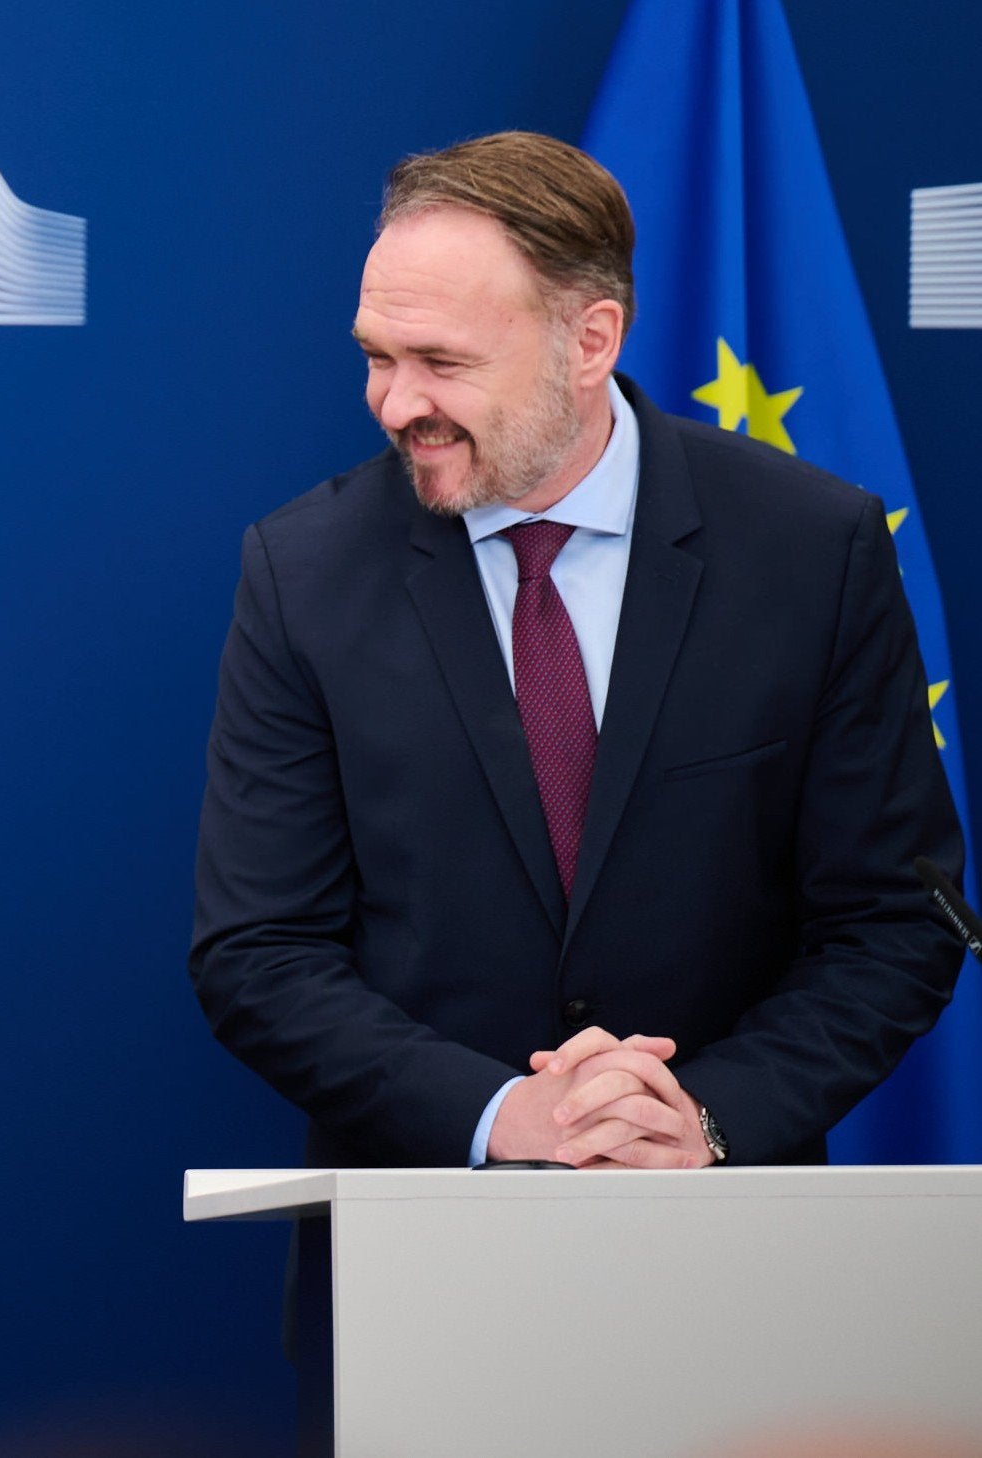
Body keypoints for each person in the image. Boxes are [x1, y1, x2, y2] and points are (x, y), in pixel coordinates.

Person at [190, 130, 964, 1175]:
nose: (396, 403)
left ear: (590, 342)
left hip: (728, 1232)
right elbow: (258, 950)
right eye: (378, 356)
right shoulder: (303, 571)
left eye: (442, 363)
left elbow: (894, 920)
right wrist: (500, 1115)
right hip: (422, 1232)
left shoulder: (810, 550)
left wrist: (704, 1117)